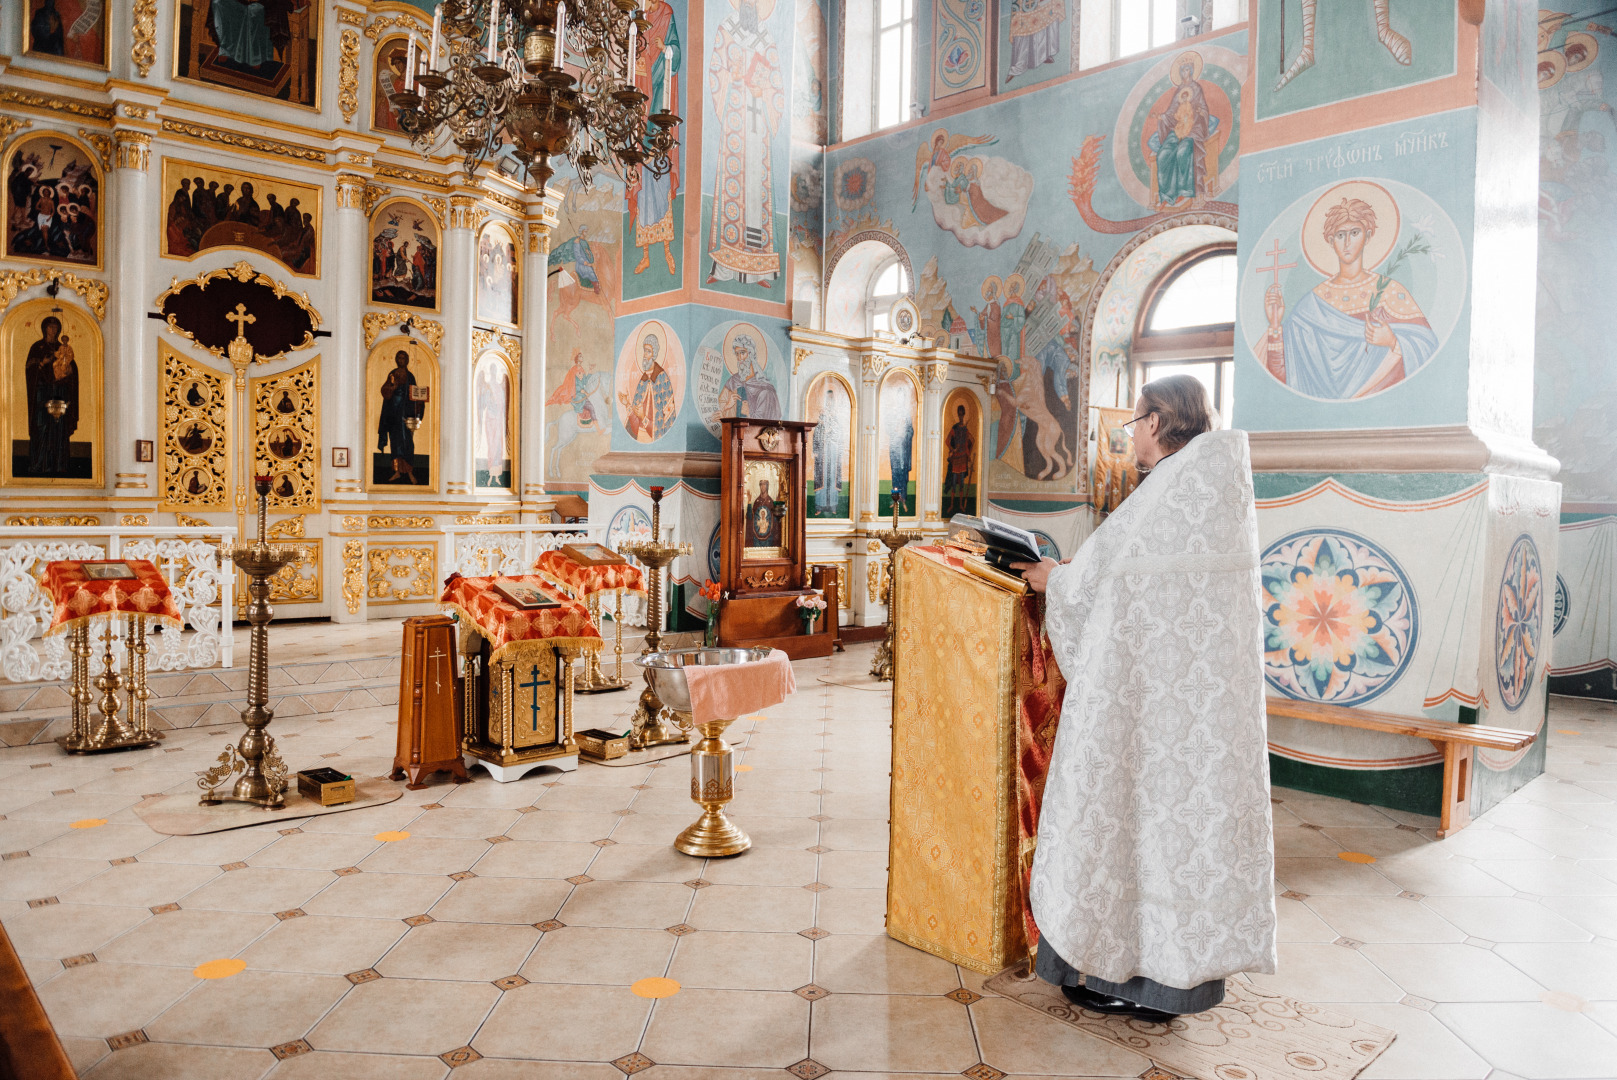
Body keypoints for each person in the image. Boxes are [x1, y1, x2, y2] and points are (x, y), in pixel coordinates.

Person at [1013, 375, 1275, 1022]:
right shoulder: (1216, 486)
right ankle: (1175, 982)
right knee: (1182, 833)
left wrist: (1054, 579)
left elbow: (1098, 586)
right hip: (1201, 716)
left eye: (1133, 422)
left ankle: (1119, 976)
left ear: (1157, 422)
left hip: (1146, 709)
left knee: (1127, 820)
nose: (1129, 434)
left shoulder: (1168, 490)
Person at [378, 349, 423, 483]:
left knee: (407, 442)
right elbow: (385, 391)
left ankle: (409, 472)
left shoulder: (410, 377)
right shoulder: (392, 374)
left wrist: (420, 400)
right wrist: (393, 386)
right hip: (393, 413)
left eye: (403, 358)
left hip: (406, 414)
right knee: (395, 442)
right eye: (399, 358)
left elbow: (415, 394)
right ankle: (397, 471)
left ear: (407, 360)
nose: (401, 360)